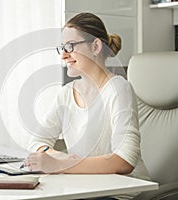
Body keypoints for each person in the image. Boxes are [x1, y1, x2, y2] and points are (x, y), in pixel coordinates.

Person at [25, 13, 150, 199]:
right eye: (62, 48)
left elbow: (125, 161)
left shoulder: (118, 88)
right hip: (85, 188)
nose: (64, 56)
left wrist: (61, 165)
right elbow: (37, 141)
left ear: (96, 46)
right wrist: (58, 157)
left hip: (120, 193)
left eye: (70, 46)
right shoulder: (66, 93)